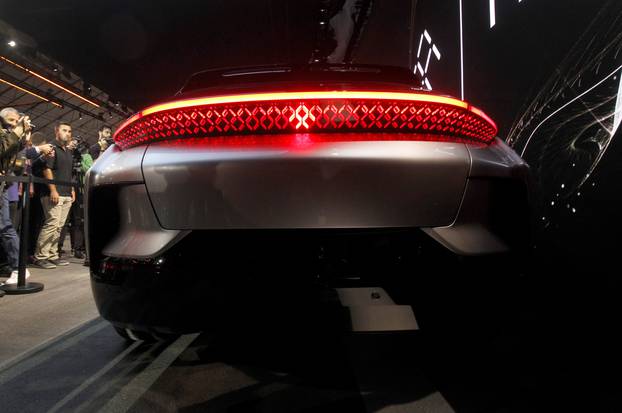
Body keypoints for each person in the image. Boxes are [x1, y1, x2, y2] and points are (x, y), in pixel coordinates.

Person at [33, 122, 75, 269]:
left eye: (69, 131)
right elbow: (47, 170)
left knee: (59, 227)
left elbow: (69, 173)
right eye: (64, 130)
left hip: (66, 193)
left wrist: (72, 190)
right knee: (51, 224)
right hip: (53, 193)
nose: (68, 133)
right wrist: (53, 190)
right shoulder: (52, 148)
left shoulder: (68, 151)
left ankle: (52, 255)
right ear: (57, 131)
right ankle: (41, 256)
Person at [0, 107, 33, 284]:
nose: (15, 124)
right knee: (5, 225)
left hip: (4, 184)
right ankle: (17, 266)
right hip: (5, 184)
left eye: (16, 121)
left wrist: (23, 137)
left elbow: (10, 153)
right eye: (12, 121)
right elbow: (3, 148)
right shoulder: (4, 133)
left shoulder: (8, 133)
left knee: (5, 225)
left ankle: (18, 267)